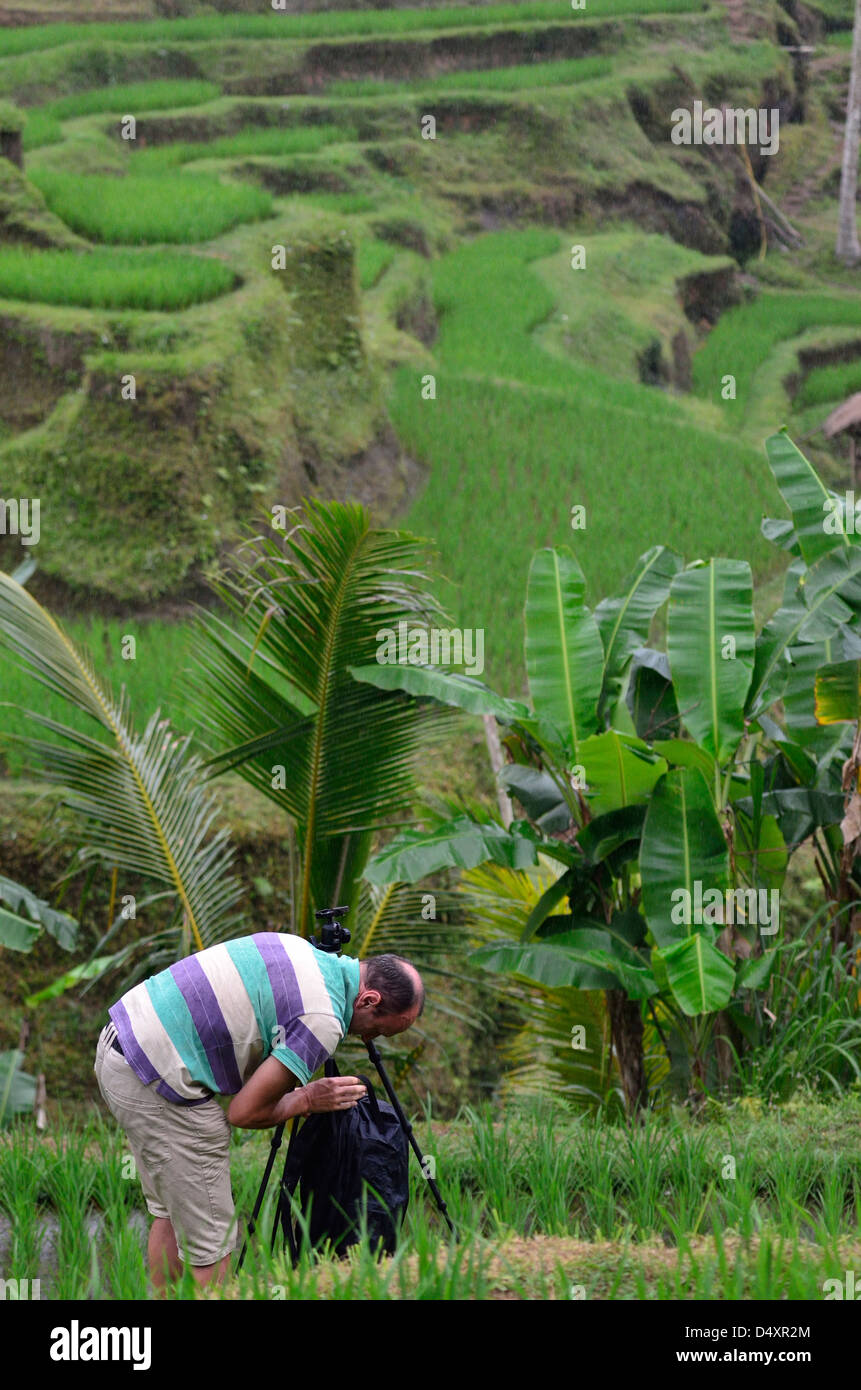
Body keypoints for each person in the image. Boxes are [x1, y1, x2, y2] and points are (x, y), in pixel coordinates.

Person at [93, 931, 424, 1292]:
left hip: (120, 1046)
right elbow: (244, 1113)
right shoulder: (323, 1019)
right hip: (157, 1077)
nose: (367, 1040)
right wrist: (308, 1099)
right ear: (369, 999)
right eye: (379, 1030)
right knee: (212, 1242)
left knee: (174, 1213)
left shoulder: (302, 948)